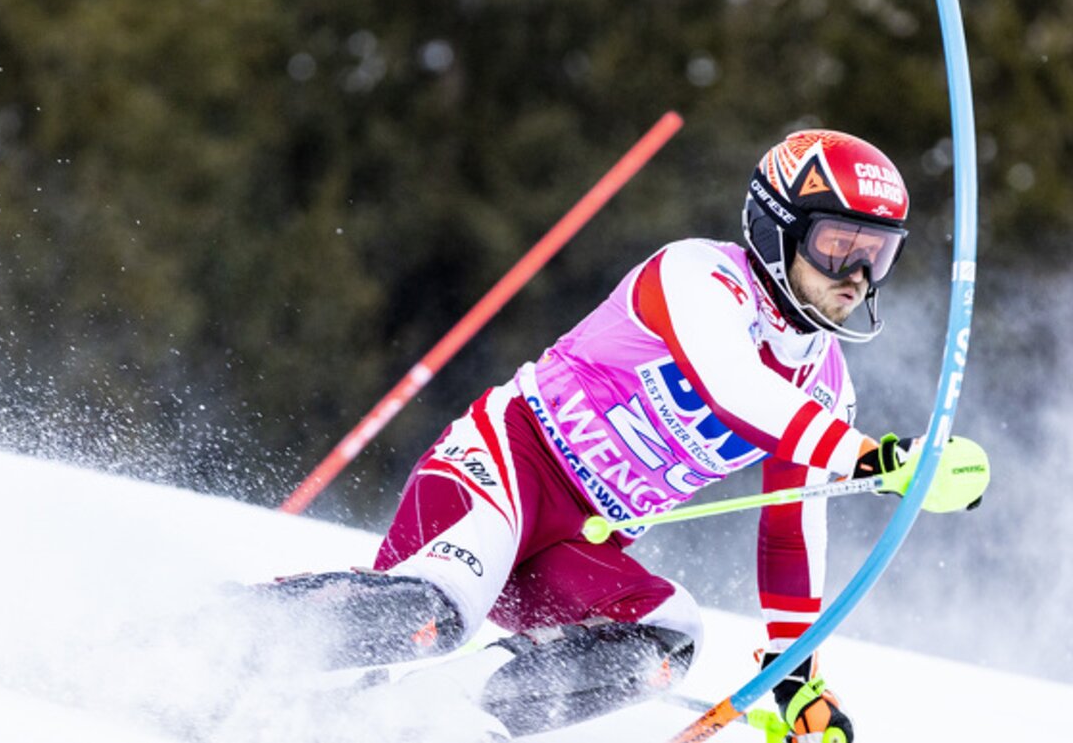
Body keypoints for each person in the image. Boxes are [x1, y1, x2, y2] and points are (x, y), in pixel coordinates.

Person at [262, 129, 981, 742]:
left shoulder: (825, 384)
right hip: (503, 471)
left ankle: (420, 718)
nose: (856, 276)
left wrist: (795, 676)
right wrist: (874, 456)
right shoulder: (697, 276)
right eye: (837, 247)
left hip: (578, 547)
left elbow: (790, 535)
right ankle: (221, 633)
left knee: (669, 638)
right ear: (777, 228)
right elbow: (734, 385)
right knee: (436, 609)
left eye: (876, 255)